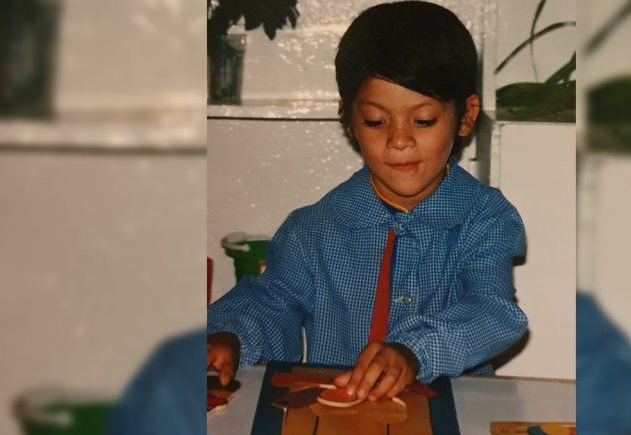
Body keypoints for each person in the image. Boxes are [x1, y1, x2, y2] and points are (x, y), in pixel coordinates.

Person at [208, 0, 528, 404]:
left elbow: (492, 311)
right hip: (337, 415)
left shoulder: (485, 218)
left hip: (449, 414)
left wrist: (415, 352)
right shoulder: (312, 229)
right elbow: (270, 303)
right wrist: (231, 336)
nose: (399, 140)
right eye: (376, 121)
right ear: (349, 120)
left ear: (466, 116)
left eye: (423, 120)